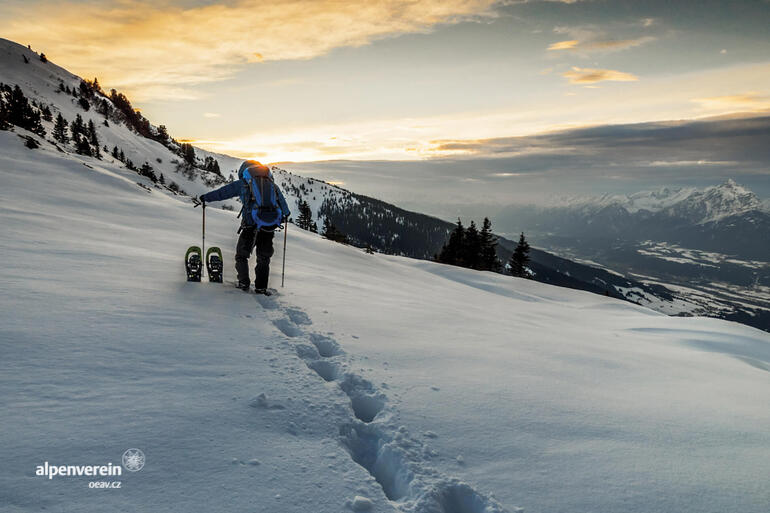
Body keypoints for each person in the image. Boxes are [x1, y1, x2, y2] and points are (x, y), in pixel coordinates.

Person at [198, 160, 291, 294]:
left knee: (241, 255)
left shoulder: (243, 183)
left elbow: (223, 192)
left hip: (250, 225)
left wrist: (205, 198)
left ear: (244, 171)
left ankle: (243, 282)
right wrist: (285, 215)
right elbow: (284, 206)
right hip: (268, 226)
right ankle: (261, 287)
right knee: (264, 258)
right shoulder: (272, 184)